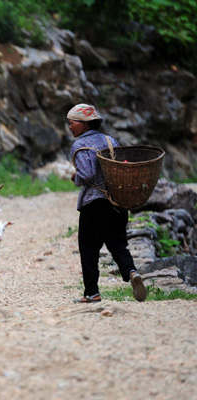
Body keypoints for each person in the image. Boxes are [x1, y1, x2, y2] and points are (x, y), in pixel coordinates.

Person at [68, 103, 146, 303]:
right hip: (117, 202)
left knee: (88, 248)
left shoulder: (79, 146)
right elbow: (122, 168)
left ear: (84, 124)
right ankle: (131, 272)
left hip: (94, 204)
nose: (69, 127)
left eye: (72, 123)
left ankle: (92, 292)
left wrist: (74, 177)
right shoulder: (111, 140)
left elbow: (86, 174)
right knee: (118, 244)